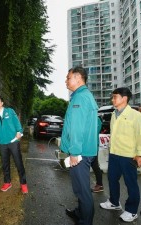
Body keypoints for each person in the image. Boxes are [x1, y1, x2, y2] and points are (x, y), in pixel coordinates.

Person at [100, 87, 141, 222]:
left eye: (115, 97)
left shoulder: (136, 115)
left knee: (131, 183)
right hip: (114, 153)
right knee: (111, 179)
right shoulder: (114, 114)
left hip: (129, 155)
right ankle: (114, 202)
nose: (112, 99)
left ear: (124, 98)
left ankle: (132, 211)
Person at [60, 66, 99, 225]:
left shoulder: (80, 98)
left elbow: (77, 127)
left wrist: (74, 151)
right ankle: (80, 213)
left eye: (68, 78)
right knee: (80, 188)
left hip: (80, 152)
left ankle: (85, 221)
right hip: (84, 151)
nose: (66, 81)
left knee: (83, 191)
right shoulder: (84, 96)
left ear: (78, 78)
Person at [91, 116, 104, 193]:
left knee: (95, 166)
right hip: (87, 146)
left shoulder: (96, 119)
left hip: (92, 146)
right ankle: (99, 185)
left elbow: (94, 131)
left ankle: (100, 184)